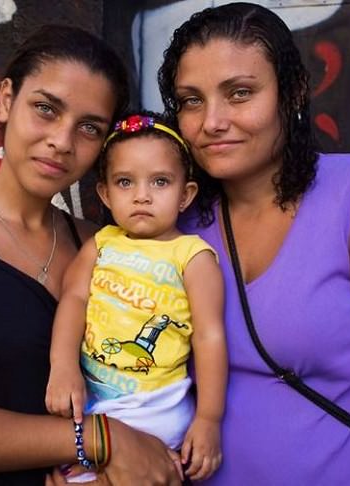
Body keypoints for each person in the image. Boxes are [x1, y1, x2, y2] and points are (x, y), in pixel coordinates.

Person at [157, 3, 350, 485]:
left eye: (240, 93)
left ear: (291, 93)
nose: (212, 121)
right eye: (192, 100)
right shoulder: (176, 219)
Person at [0, 25, 185, 486]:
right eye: (45, 109)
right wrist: (97, 439)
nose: (62, 141)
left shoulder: (102, 246)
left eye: (88, 128)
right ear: (6, 101)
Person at [45, 112, 227, 483]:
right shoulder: (100, 244)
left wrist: (209, 418)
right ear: (106, 194)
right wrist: (62, 366)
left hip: (156, 410)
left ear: (185, 195)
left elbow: (209, 336)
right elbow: (74, 300)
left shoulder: (193, 255)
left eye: (160, 182)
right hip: (95, 405)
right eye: (125, 182)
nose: (142, 195)